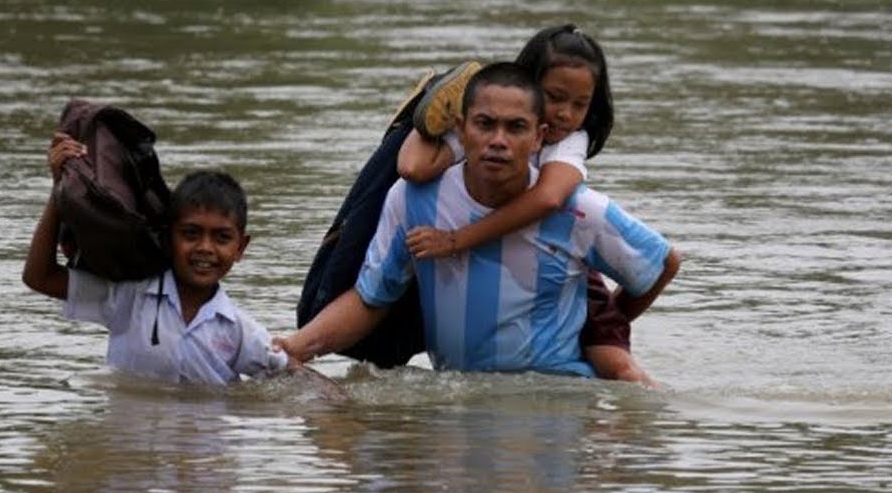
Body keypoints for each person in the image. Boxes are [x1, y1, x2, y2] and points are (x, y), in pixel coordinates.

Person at [276, 62, 681, 377]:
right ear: (461, 130)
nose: (499, 141)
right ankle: (413, 121)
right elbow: (371, 298)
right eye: (486, 124)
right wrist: (294, 348)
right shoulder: (415, 199)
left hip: (557, 406)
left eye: (516, 127)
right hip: (458, 403)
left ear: (540, 137)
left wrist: (597, 332)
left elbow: (661, 264)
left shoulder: (578, 210)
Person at [396, 24, 658, 386]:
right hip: (514, 272)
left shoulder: (568, 142)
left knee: (619, 369)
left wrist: (458, 240)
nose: (565, 114)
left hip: (565, 273)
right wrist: (430, 118)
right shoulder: (494, 133)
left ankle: (646, 429)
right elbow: (411, 167)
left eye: (580, 104)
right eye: (556, 97)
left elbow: (550, 198)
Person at [23, 136, 301, 387]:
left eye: (221, 237)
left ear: (241, 248)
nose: (205, 248)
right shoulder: (129, 296)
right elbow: (39, 277)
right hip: (129, 444)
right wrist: (58, 190)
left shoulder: (239, 330)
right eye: (191, 234)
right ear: (168, 239)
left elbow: (295, 374)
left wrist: (339, 416)